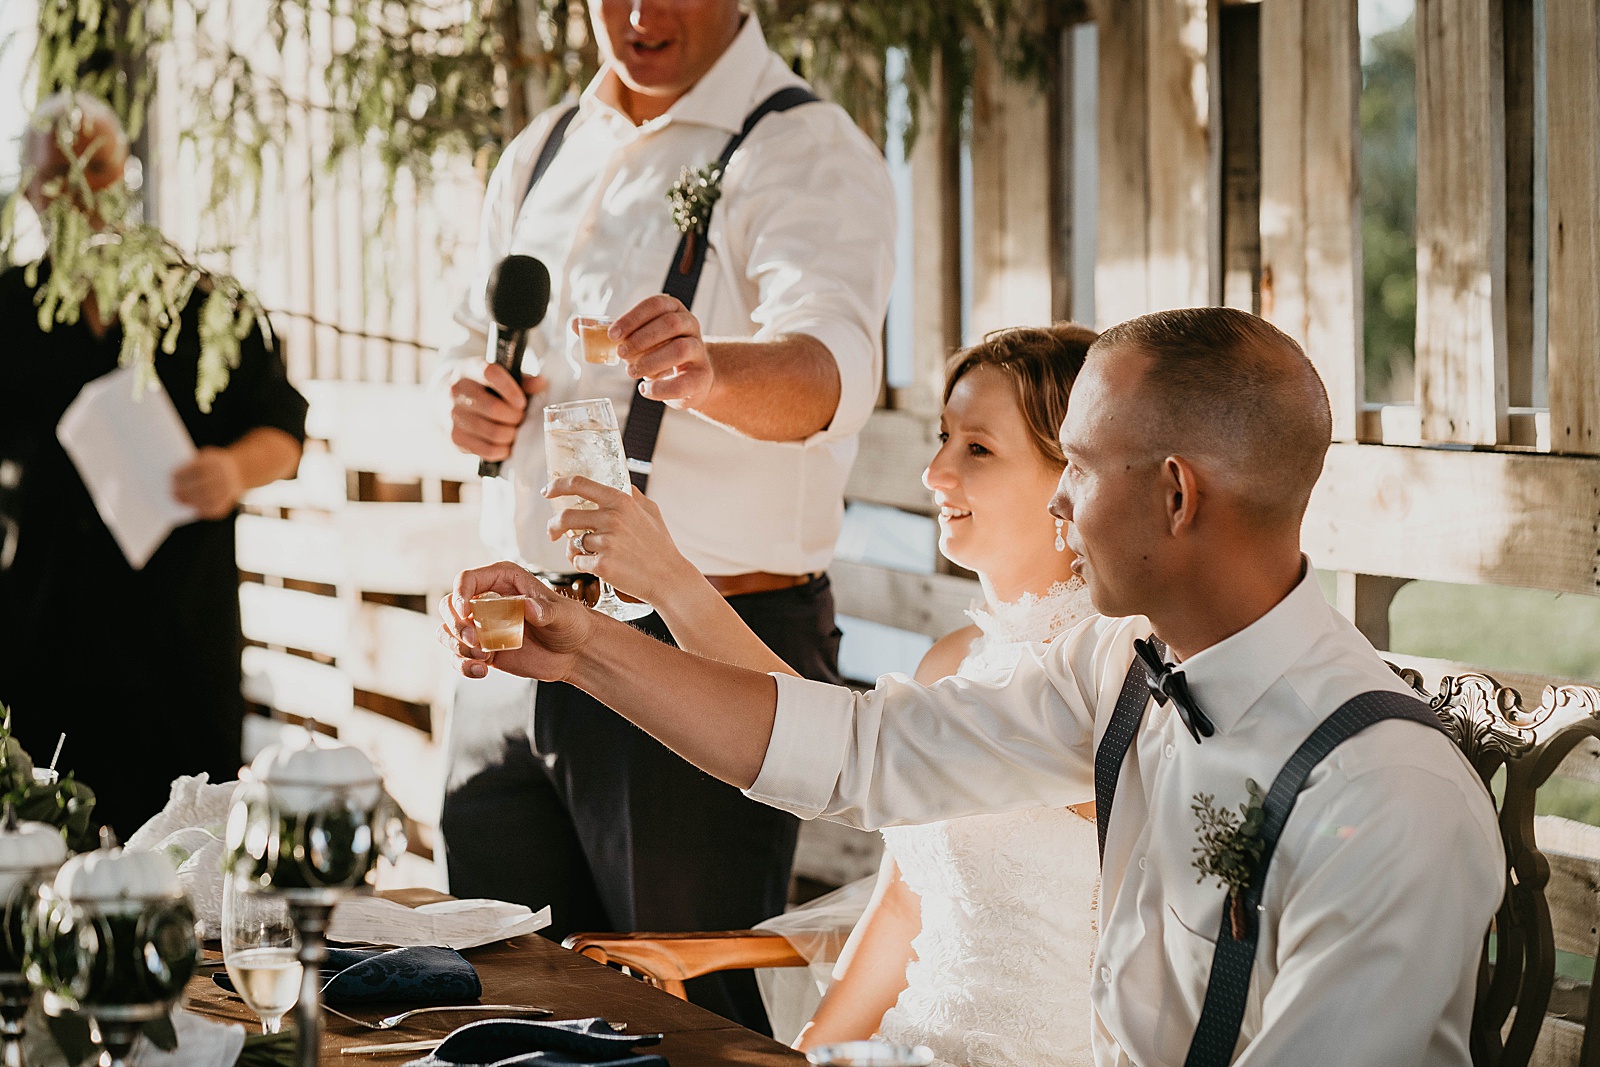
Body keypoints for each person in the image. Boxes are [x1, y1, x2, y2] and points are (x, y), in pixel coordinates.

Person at [440, 307, 1504, 1066]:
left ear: (1174, 494)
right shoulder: (1113, 668)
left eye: (1076, 470)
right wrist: (580, 645)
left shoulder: (1386, 803)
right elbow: (859, 754)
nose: (1061, 512)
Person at [430, 0, 895, 1032]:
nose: (641, 15)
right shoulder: (542, 148)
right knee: (493, 996)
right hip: (516, 640)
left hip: (700, 648)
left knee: (687, 1021)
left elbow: (831, 372)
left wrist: (711, 368)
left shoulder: (802, 145)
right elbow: (466, 340)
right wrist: (466, 401)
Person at [544, 324, 1101, 1063]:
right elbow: (902, 903)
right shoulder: (952, 661)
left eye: (977, 447)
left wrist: (668, 585)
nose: (934, 472)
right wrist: (804, 1056)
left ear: (1072, 479)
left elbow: (836, 750)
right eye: (941, 437)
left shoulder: (1104, 673)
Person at [0, 94, 308, 839]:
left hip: (176, 647)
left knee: (186, 866)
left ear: (127, 174)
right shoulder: (5, 310)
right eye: (57, 175)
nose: (78, 191)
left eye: (96, 167)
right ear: (30, 190)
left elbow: (284, 428)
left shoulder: (208, 304)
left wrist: (234, 469)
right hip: (37, 647)